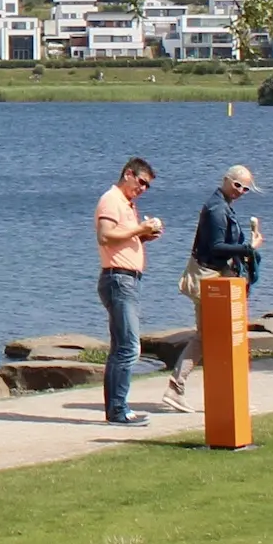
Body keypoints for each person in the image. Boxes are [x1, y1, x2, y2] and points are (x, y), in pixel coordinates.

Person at [166, 165, 264, 412]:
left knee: (214, 336)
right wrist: (248, 248)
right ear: (226, 181)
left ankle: (224, 394)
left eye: (246, 188)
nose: (241, 191)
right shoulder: (216, 209)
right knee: (209, 336)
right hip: (208, 278)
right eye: (238, 185)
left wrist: (245, 249)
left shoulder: (221, 205)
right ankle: (180, 388)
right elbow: (217, 247)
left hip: (215, 275)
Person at [95, 157, 164, 425]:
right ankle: (118, 410)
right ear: (128, 174)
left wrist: (143, 235)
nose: (143, 189)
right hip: (118, 279)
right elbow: (105, 234)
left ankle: (116, 408)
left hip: (126, 279)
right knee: (129, 348)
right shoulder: (111, 200)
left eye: (147, 186)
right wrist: (140, 228)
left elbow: (119, 236)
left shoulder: (126, 204)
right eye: (141, 182)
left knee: (121, 347)